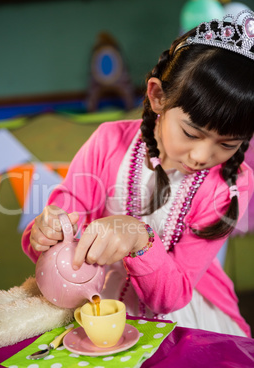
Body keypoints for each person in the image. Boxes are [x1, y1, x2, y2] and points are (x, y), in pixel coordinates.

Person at [22, 10, 254, 337]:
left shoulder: (232, 183)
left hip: (183, 311)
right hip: (93, 294)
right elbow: (60, 230)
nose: (203, 156)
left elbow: (170, 298)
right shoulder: (107, 141)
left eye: (228, 143)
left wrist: (141, 238)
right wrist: (46, 233)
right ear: (158, 96)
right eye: (191, 133)